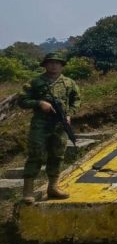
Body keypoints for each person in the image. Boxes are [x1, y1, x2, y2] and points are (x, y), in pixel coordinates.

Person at [19, 52, 80, 204]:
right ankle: (28, 191)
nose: (54, 65)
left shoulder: (69, 83)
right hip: (40, 124)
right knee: (36, 154)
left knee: (57, 155)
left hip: (59, 125)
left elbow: (76, 100)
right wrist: (39, 103)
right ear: (45, 65)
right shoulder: (35, 82)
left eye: (57, 63)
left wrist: (69, 114)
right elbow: (22, 100)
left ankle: (53, 187)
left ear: (62, 65)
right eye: (51, 62)